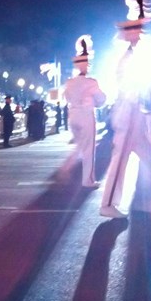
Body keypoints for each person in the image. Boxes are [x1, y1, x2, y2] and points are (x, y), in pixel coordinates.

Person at [100, 0, 151, 218]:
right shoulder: (127, 55)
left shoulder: (137, 53)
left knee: (147, 157)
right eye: (137, 28)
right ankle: (107, 204)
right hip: (128, 111)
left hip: (137, 113)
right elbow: (130, 85)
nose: (141, 32)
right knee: (120, 159)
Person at [62, 35, 106, 188]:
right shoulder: (91, 82)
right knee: (88, 149)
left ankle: (68, 166)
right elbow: (101, 99)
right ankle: (88, 180)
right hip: (86, 116)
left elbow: (66, 97)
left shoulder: (69, 82)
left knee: (80, 146)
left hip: (73, 116)